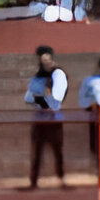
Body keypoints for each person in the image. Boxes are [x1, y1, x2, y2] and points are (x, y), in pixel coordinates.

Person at [23, 45, 68, 189]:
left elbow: (55, 100)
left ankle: (61, 179)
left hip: (54, 119)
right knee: (37, 151)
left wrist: (42, 98)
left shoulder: (58, 74)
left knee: (57, 151)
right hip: (39, 118)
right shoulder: (37, 77)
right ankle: (34, 181)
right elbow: (28, 98)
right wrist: (43, 97)